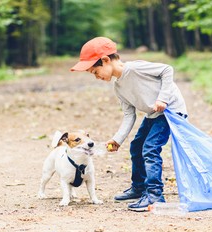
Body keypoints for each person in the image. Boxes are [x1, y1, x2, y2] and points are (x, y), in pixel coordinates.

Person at [71, 37, 187, 212]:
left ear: (105, 60)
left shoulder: (134, 68)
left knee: (149, 148)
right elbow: (128, 115)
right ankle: (139, 187)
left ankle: (155, 195)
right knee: (136, 146)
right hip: (154, 114)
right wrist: (117, 139)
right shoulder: (118, 87)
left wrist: (163, 98)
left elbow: (167, 70)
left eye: (95, 72)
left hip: (171, 111)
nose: (97, 77)